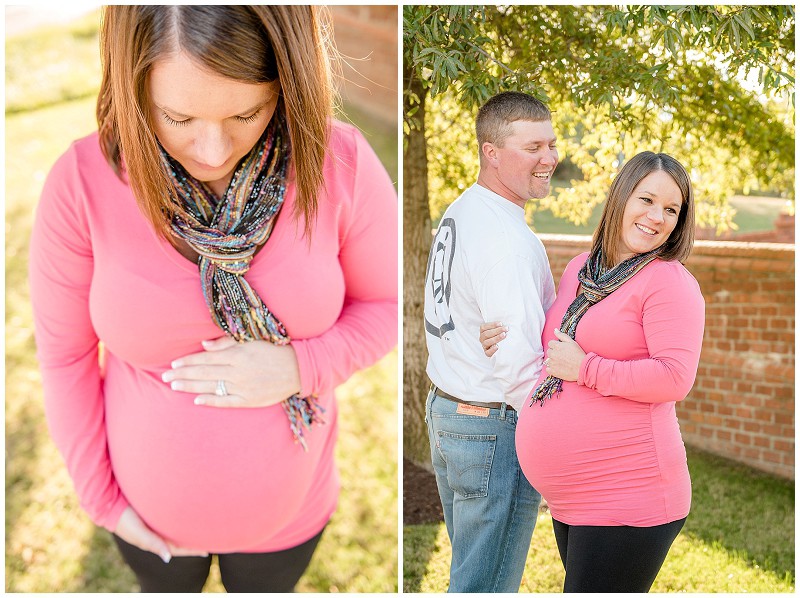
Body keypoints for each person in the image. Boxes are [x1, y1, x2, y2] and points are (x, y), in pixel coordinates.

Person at [28, 5, 397, 593]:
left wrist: (300, 366)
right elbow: (65, 357)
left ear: (287, 80)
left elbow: (386, 307)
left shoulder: (340, 163)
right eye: (177, 116)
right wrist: (102, 501)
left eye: (246, 112)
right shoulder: (82, 183)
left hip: (289, 523)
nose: (211, 148)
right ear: (132, 84)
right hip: (147, 527)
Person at [480, 151, 705, 592]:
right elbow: (554, 348)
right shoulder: (580, 270)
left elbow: (674, 377)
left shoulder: (668, 281)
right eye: (647, 200)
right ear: (620, 197)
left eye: (671, 209)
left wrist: (587, 369)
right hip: (572, 500)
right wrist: (503, 340)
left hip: (628, 495)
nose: (657, 217)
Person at [422, 91, 558, 592]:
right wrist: (555, 441)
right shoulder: (505, 242)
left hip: (449, 412)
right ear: (491, 152)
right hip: (492, 428)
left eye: (551, 144)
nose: (549, 159)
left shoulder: (465, 209)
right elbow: (521, 369)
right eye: (532, 147)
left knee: (472, 574)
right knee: (486, 586)